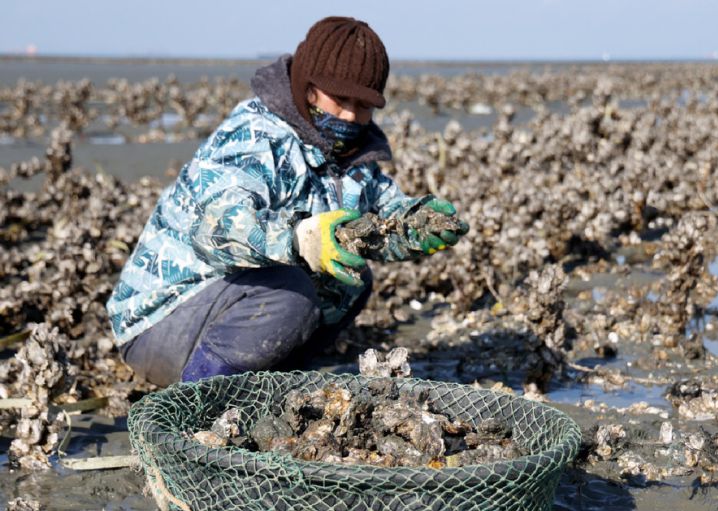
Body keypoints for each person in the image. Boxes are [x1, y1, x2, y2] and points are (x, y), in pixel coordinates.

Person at [107, 16, 469, 386]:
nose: (349, 115)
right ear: (307, 85)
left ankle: (267, 383)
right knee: (293, 295)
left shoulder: (351, 156)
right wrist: (300, 238)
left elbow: (381, 218)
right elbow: (216, 227)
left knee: (350, 278)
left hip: (230, 311)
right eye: (339, 99)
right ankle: (198, 399)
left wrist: (411, 225)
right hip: (160, 323)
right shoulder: (255, 135)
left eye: (363, 105)